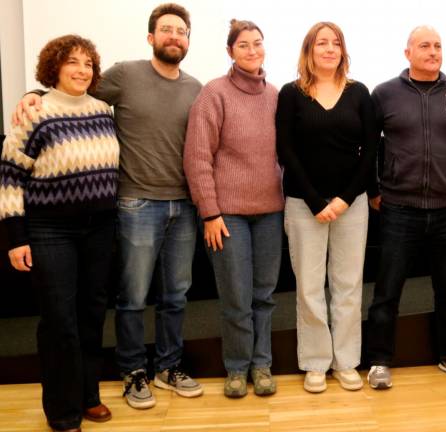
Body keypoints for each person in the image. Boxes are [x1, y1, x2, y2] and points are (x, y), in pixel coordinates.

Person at [13, 3, 203, 409]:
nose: (174, 36)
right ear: (151, 37)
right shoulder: (124, 75)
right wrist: (32, 94)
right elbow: (68, 94)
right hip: (135, 203)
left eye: (181, 31)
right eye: (166, 29)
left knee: (176, 295)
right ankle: (133, 371)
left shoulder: (195, 88)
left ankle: (168, 367)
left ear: (188, 40)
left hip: (183, 206)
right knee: (132, 297)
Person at [1, 35, 119, 432]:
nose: (81, 69)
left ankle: (89, 396)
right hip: (51, 230)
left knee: (91, 315)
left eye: (88, 63)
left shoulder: (103, 110)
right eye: (72, 62)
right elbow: (10, 176)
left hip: (101, 229)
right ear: (54, 67)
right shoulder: (35, 113)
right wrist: (16, 236)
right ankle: (62, 411)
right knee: (58, 320)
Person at [365, 25, 446, 389]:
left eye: (438, 46)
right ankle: (379, 361)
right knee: (387, 293)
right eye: (424, 45)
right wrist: (374, 191)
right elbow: (366, 149)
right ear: (407, 53)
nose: (433, 51)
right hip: (398, 210)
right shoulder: (383, 94)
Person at [276, 22, 377, 393]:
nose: (330, 49)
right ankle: (316, 363)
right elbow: (285, 150)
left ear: (342, 51)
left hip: (352, 204)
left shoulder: (359, 93)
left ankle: (346, 362)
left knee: (348, 286)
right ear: (310, 50)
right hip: (305, 205)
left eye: (336, 43)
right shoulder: (291, 94)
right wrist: (317, 201)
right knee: (309, 287)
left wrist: (344, 199)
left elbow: (370, 152)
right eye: (322, 43)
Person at [184, 19, 283, 398]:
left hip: (270, 211)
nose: (252, 50)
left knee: (265, 294)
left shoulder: (274, 95)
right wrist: (210, 212)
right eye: (243, 45)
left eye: (258, 43)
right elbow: (197, 157)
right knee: (236, 297)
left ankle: (263, 365)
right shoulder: (214, 94)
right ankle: (237, 367)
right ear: (230, 51)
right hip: (227, 217)